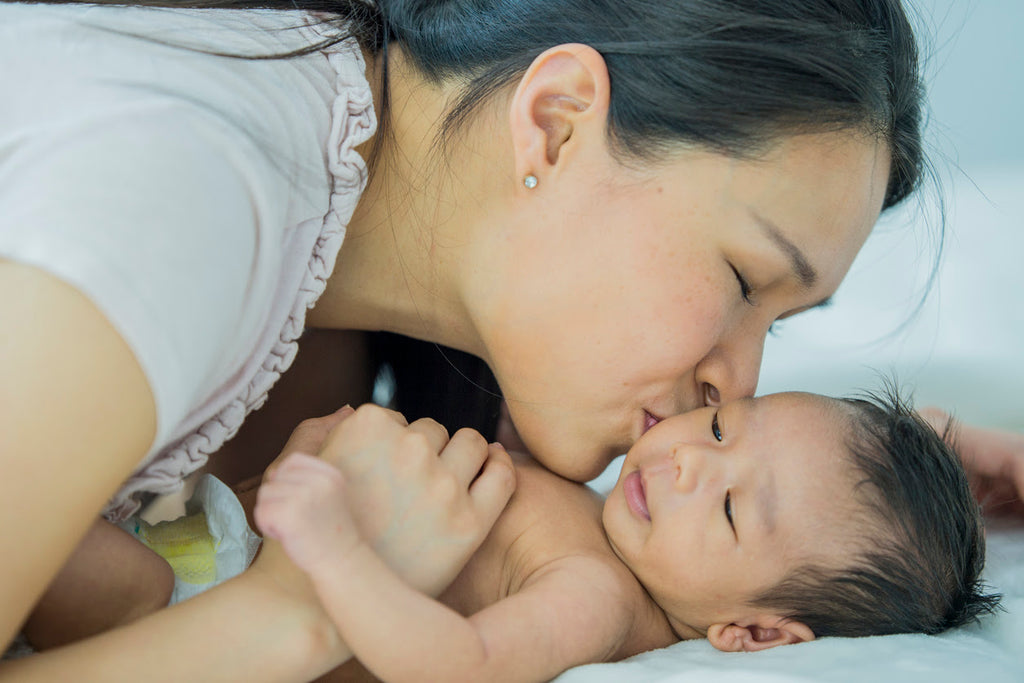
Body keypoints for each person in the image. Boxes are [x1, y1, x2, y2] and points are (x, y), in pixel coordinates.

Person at [2, 0, 1018, 678]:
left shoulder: (377, 293)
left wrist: (889, 472)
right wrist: (292, 610)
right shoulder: (172, 205)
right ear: (559, 123)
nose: (734, 386)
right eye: (744, 279)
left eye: (776, 327)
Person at [251, 390, 999, 683]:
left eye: (731, 507)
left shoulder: (598, 594)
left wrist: (331, 549)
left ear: (755, 633)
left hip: (233, 593)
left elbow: (460, 664)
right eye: (717, 426)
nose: (686, 460)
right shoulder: (608, 510)